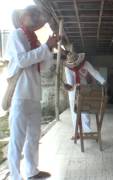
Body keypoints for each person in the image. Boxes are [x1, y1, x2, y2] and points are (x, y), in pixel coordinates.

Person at [5, 5, 58, 179]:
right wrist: (44, 48)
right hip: (20, 94)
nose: (35, 18)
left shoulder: (34, 40)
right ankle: (15, 176)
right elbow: (22, 60)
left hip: (34, 95)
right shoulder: (16, 35)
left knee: (34, 137)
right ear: (22, 18)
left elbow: (43, 66)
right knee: (17, 139)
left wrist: (49, 48)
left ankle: (32, 171)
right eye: (31, 14)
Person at [64, 51, 106, 139]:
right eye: (73, 64)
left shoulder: (85, 64)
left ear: (79, 60)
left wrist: (103, 81)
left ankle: (87, 131)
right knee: (74, 112)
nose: (75, 66)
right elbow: (70, 83)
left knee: (85, 110)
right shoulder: (68, 68)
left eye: (77, 64)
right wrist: (70, 87)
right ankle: (77, 132)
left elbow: (94, 73)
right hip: (74, 91)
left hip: (85, 90)